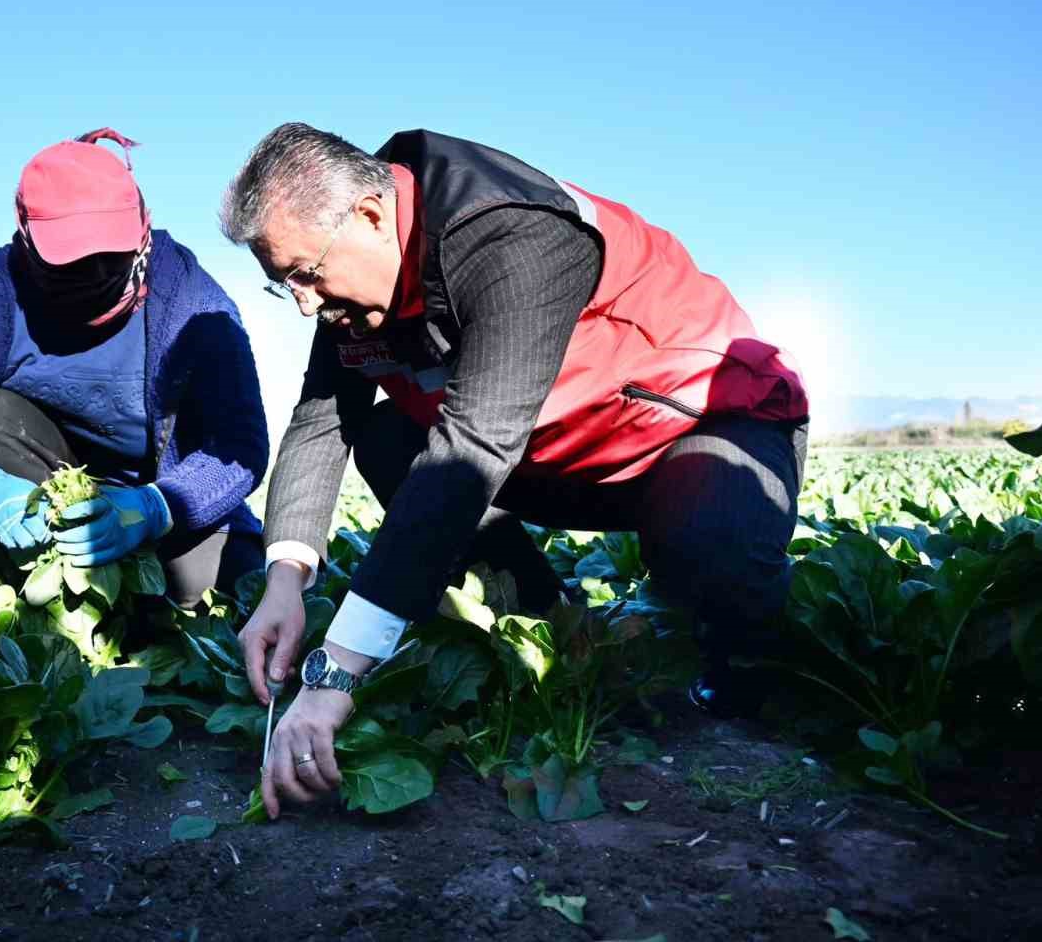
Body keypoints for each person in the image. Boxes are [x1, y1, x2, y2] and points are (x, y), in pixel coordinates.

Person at [219, 124, 809, 818]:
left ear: (372, 217)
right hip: (562, 456)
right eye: (283, 284)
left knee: (710, 549)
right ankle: (550, 622)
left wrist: (335, 672)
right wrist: (285, 580)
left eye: (305, 273)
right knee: (386, 439)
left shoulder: (509, 231)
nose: (304, 303)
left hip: (701, 433)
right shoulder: (353, 288)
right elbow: (324, 419)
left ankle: (747, 666)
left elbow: (472, 448)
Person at [0, 128, 268, 607]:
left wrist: (153, 507)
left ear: (143, 227)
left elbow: (240, 445)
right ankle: (37, 602)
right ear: (26, 240)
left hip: (155, 509)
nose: (96, 275)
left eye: (111, 257)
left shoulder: (190, 303)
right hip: (50, 498)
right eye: (72, 263)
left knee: (222, 598)